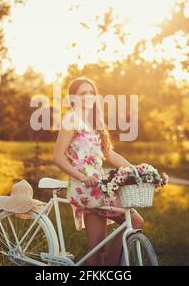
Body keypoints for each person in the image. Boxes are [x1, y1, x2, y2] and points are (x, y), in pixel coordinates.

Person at [52, 77, 144, 266]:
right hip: (85, 186)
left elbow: (108, 154)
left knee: (97, 246)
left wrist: (135, 170)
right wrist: (82, 177)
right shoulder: (71, 119)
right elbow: (58, 157)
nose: (88, 97)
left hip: (99, 186)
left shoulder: (94, 121)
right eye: (82, 93)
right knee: (135, 221)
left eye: (91, 93)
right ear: (73, 98)